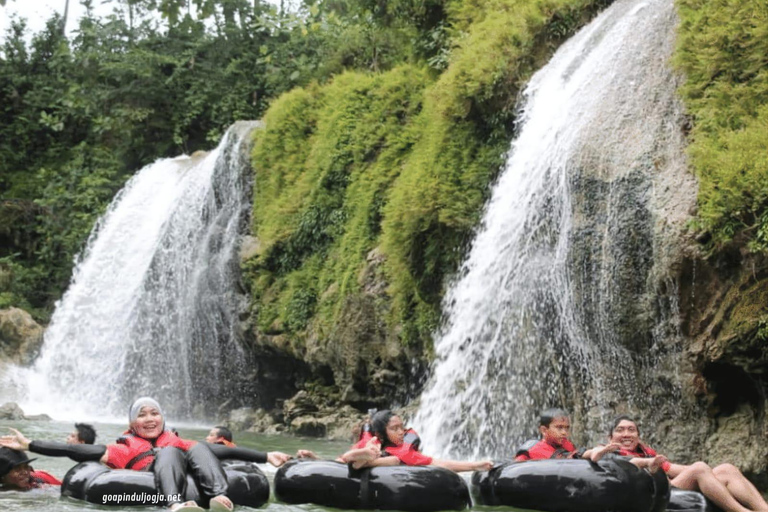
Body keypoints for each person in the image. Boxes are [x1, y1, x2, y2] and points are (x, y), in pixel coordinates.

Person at [0, 397, 289, 511]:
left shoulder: (177, 439)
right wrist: (29, 445)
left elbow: (219, 450)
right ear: (131, 423)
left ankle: (217, 496)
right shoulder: (122, 448)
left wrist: (266, 457)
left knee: (197, 447)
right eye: (142, 415)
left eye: (155, 413)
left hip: (193, 480)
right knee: (169, 454)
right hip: (151, 487)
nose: (150, 419)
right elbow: (75, 450)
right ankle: (175, 505)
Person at [605, 415, 768, 512]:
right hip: (649, 496)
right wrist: (701, 470)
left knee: (726, 469)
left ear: (638, 436)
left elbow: (673, 468)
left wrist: (711, 473)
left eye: (631, 430)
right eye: (620, 430)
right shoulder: (606, 453)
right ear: (610, 437)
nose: (626, 434)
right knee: (699, 469)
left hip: (669, 486)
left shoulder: (646, 452)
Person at [514, 408, 667, 473]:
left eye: (567, 428)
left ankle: (646, 463)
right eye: (559, 428)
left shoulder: (566, 445)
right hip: (554, 474)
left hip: (575, 463)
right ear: (544, 430)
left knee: (607, 457)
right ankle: (597, 452)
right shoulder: (531, 449)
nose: (564, 432)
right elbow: (513, 470)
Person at [343, 409, 493, 472]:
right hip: (369, 455)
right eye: (394, 429)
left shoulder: (405, 450)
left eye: (402, 427)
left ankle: (363, 460)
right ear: (381, 433)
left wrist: (474, 465)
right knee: (390, 459)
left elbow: (438, 463)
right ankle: (362, 458)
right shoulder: (375, 442)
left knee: (394, 460)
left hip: (374, 460)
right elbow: (340, 461)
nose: (401, 432)